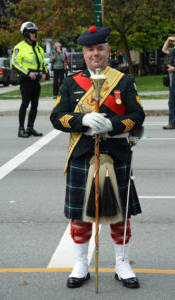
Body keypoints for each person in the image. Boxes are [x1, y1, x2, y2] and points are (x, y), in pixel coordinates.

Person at [50, 26, 145, 289]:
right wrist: (82, 120)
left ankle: (122, 263)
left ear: (107, 51)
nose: (96, 54)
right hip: (82, 155)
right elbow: (57, 117)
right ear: (84, 52)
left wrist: (112, 125)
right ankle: (80, 264)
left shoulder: (123, 81)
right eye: (90, 49)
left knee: (119, 216)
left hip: (115, 155)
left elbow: (137, 115)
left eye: (100, 49)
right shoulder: (71, 82)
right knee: (80, 216)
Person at [12, 22, 48, 138]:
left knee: (35, 105)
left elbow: (43, 62)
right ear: (26, 33)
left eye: (35, 32)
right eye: (32, 32)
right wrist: (28, 73)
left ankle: (30, 127)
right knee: (25, 104)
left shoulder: (39, 47)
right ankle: (21, 129)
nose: (34, 34)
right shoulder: (19, 47)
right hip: (26, 80)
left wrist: (44, 73)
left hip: (36, 80)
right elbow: (15, 63)